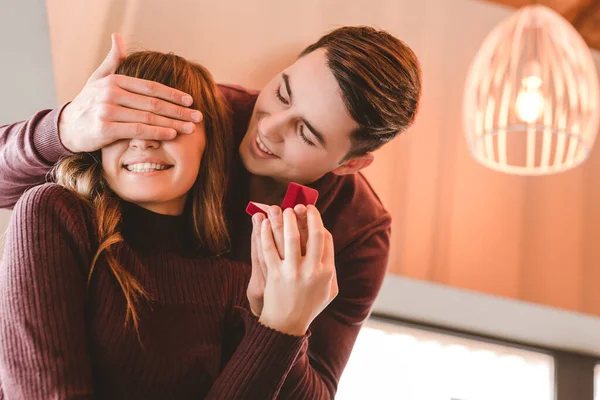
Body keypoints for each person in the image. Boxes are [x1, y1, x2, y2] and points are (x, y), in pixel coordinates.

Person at [0, 26, 422, 398]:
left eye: (305, 133)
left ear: (350, 164)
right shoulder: (198, 113)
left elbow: (316, 391)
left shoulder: (359, 233)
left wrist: (283, 324)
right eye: (281, 93)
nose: (268, 128)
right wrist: (64, 128)